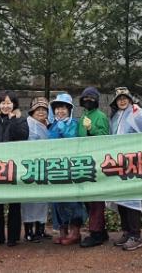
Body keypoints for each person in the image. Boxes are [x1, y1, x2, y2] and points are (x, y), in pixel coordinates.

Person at [108, 87, 142, 251]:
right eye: (119, 99)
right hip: (119, 162)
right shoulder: (115, 117)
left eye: (125, 98)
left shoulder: (137, 112)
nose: (122, 101)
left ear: (130, 99)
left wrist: (137, 113)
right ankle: (126, 231)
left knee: (132, 198)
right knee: (121, 198)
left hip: (133, 161)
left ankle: (135, 235)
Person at [0, 90, 29, 247]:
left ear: (14, 104)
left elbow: (23, 136)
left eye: (9, 103)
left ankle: (13, 237)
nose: (6, 106)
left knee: (14, 203)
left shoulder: (21, 120)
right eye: (3, 103)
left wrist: (13, 120)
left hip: (14, 167)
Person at [48, 93, 84, 246]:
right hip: (55, 168)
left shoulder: (75, 124)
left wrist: (64, 131)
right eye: (57, 108)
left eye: (63, 108)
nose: (60, 111)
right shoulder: (51, 125)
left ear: (69, 109)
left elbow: (77, 142)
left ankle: (75, 232)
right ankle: (62, 230)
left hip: (72, 168)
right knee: (57, 200)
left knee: (73, 200)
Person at [76, 87, 110, 248]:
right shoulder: (83, 116)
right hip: (84, 162)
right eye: (85, 98)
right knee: (89, 200)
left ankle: (96, 234)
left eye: (91, 98)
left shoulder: (100, 116)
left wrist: (91, 129)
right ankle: (101, 231)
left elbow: (105, 136)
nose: (88, 100)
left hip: (97, 162)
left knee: (95, 199)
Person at [20, 96, 52, 243]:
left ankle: (40, 230)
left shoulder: (49, 125)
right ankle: (28, 231)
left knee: (43, 199)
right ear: (32, 111)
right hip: (30, 167)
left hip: (45, 167)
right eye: (38, 109)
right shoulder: (28, 124)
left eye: (44, 109)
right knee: (29, 200)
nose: (41, 112)